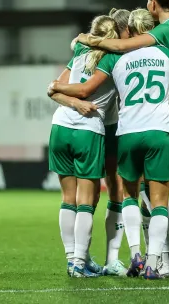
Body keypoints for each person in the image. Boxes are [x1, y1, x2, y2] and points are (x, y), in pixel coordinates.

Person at [77, 0, 169, 277]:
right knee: (167, 195)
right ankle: (166, 259)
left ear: (152, 3)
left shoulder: (141, 45)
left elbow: (119, 51)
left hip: (135, 129)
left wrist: (90, 40)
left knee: (137, 195)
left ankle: (147, 256)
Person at [50, 8, 169, 280]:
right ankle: (144, 258)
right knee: (114, 196)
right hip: (108, 128)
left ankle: (84, 258)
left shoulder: (84, 52)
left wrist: (63, 93)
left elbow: (56, 87)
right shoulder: (123, 56)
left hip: (81, 126)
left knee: (93, 197)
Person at [48, 15, 120, 277]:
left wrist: (59, 89)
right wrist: (78, 101)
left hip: (59, 128)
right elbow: (84, 90)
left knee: (68, 200)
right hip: (87, 131)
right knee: (86, 203)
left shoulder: (80, 50)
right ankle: (78, 262)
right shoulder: (113, 59)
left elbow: (55, 90)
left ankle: (75, 259)